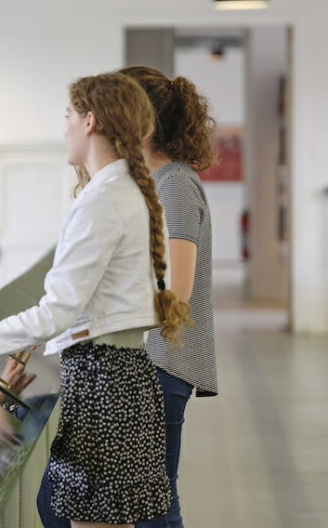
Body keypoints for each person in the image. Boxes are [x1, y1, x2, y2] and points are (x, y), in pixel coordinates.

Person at [0, 72, 191, 528]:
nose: (62, 126)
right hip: (122, 378)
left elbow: (55, 311)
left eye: (68, 115)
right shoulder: (125, 191)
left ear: (89, 121)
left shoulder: (102, 200)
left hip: (103, 385)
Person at [119, 65, 218, 528]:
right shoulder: (150, 181)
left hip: (157, 364)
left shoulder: (174, 184)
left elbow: (175, 291)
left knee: (153, 507)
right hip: (144, 362)